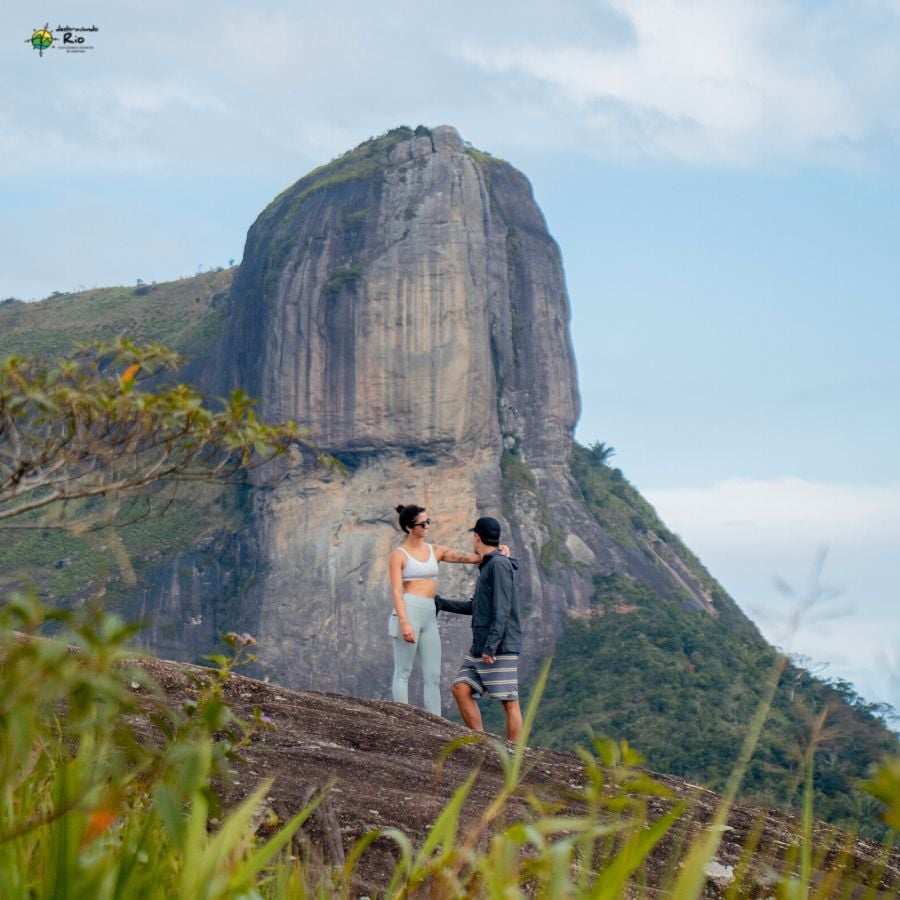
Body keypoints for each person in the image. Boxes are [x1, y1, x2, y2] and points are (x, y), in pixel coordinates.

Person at [388, 504, 508, 716]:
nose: (427, 526)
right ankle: (402, 719)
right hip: (408, 610)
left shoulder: (436, 551)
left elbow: (472, 557)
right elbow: (397, 591)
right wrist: (404, 622)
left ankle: (436, 721)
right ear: (409, 528)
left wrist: (499, 550)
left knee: (433, 675)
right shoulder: (399, 555)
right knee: (403, 671)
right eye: (422, 524)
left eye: (428, 522)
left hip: (429, 613)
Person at [436, 516, 523, 741]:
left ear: (477, 538)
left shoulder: (499, 565)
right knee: (460, 689)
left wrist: (491, 645)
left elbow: (502, 609)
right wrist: (441, 602)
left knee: (509, 701)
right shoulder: (488, 566)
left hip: (499, 645)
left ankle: (514, 757)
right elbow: (476, 607)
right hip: (481, 646)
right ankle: (481, 743)